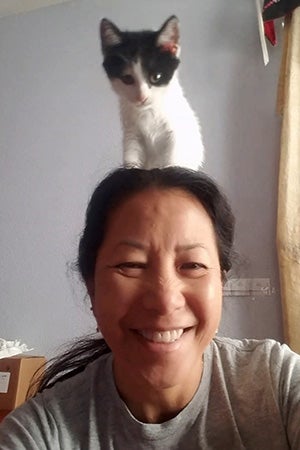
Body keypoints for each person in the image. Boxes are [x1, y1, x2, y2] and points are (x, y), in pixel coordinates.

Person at [0, 166, 299, 449]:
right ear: (92, 288)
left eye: (192, 265)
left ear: (220, 284)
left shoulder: (276, 383)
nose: (165, 300)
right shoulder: (41, 432)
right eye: (131, 265)